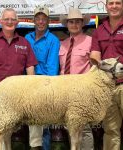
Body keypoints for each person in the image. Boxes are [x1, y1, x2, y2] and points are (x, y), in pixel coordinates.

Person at [0, 8, 37, 113]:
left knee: (17, 125)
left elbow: (30, 67)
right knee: (2, 126)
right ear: (0, 21)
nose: (9, 22)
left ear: (17, 22)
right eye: (6, 19)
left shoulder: (24, 42)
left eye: (13, 19)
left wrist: (30, 89)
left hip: (18, 91)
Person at [25, 6, 60, 150]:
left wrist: (47, 88)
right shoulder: (27, 38)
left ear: (48, 21)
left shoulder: (53, 40)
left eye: (44, 19)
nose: (41, 22)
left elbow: (52, 67)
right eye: (38, 19)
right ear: (33, 21)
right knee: (32, 121)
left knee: (44, 123)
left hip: (44, 84)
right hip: (27, 83)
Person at [90, 0, 123, 149]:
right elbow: (95, 57)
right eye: (111, 3)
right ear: (106, 6)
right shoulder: (99, 30)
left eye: (118, 3)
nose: (114, 6)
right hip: (107, 88)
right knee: (110, 129)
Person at [59, 8, 94, 150]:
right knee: (70, 127)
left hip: (82, 92)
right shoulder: (62, 44)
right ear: (67, 24)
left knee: (84, 128)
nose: (74, 24)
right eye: (71, 22)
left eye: (77, 22)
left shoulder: (91, 41)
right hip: (64, 91)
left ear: (82, 24)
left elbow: (95, 69)